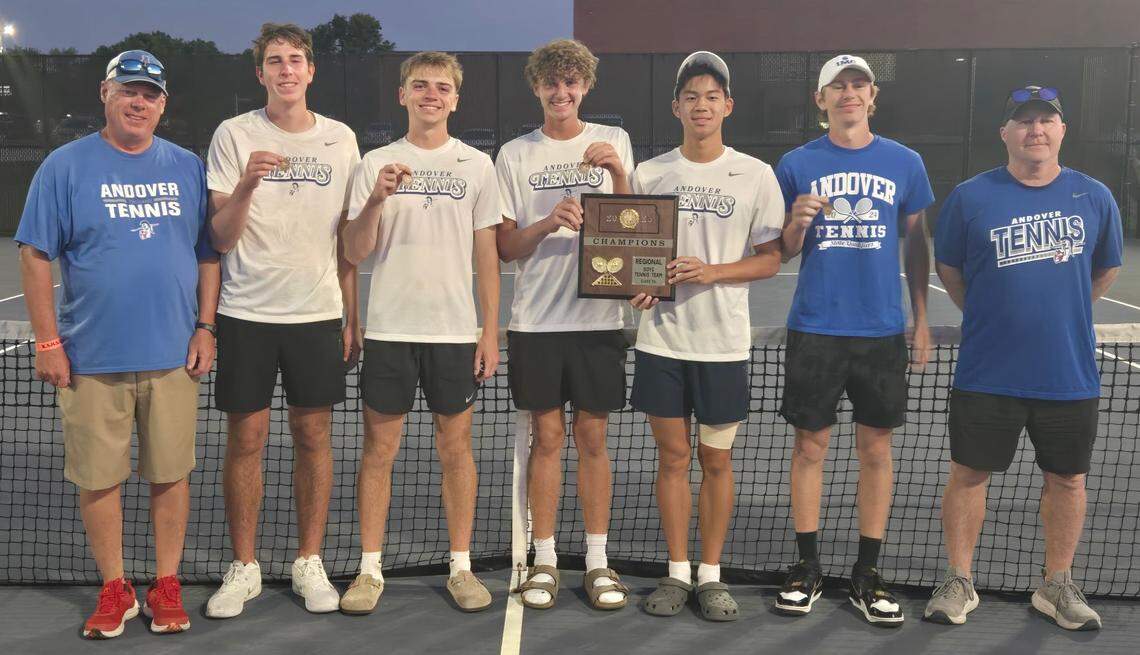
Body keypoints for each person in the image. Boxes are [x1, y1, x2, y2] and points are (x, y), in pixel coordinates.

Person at [16, 49, 217, 638]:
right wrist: (47, 341)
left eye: (150, 94)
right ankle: (115, 587)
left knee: (170, 474)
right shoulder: (64, 166)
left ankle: (166, 582)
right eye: (128, 90)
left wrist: (206, 327)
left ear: (163, 105)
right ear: (105, 93)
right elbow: (34, 254)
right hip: (91, 357)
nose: (138, 102)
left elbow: (208, 253)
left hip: (173, 355)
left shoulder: (187, 166)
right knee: (99, 478)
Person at [925, 85, 1122, 630]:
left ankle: (1057, 584)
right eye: (1024, 121)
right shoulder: (970, 198)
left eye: (1046, 120)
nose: (1036, 130)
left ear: (1062, 130)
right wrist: (989, 313)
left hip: (1068, 372)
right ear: (1005, 133)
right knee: (968, 474)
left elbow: (1105, 268)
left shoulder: (1094, 197)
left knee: (1069, 480)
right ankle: (959, 579)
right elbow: (950, 269)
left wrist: (1063, 312)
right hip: (987, 371)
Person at [204, 23, 362, 617]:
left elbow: (347, 238)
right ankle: (244, 567)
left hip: (317, 314)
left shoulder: (341, 139)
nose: (286, 69)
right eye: (275, 61)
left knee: (313, 437)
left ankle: (308, 561)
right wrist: (247, 182)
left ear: (311, 70)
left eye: (296, 59)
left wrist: (351, 314)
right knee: (245, 440)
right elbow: (220, 237)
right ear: (261, 73)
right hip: (245, 312)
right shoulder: (233, 134)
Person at [774, 54, 934, 626]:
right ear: (820, 100)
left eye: (858, 85)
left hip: (881, 332)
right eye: (837, 86)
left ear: (872, 97)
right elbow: (781, 251)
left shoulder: (905, 162)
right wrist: (796, 223)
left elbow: (917, 244)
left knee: (876, 452)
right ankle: (807, 567)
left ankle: (867, 572)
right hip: (815, 327)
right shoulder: (795, 164)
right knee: (809, 449)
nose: (848, 93)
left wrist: (921, 318)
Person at [340, 51, 502, 614]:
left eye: (442, 87)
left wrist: (489, 331)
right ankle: (369, 570)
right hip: (389, 330)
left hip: (454, 333)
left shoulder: (477, 166)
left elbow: (487, 254)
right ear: (403, 95)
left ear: (455, 99)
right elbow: (354, 251)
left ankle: (461, 566)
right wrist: (376, 198)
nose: (431, 94)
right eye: (420, 85)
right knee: (378, 450)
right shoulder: (374, 163)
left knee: (456, 450)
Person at [631, 51, 783, 622]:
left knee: (716, 461)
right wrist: (637, 287)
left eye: (712, 96)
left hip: (722, 345)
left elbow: (770, 259)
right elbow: (632, 255)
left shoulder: (755, 174)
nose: (702, 105)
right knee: (672, 459)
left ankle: (711, 575)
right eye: (691, 96)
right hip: (661, 344)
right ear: (676, 106)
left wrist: (712, 272)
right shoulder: (649, 173)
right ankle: (677, 572)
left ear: (728, 106)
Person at [495, 38, 635, 611]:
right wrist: (549, 221)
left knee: (593, 439)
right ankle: (546, 558)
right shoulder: (514, 154)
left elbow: (634, 230)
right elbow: (506, 246)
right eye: (551, 82)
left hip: (599, 319)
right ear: (537, 87)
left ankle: (598, 560)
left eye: (571, 82)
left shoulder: (614, 142)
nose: (561, 92)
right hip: (536, 322)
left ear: (585, 86)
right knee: (547, 439)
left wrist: (619, 174)